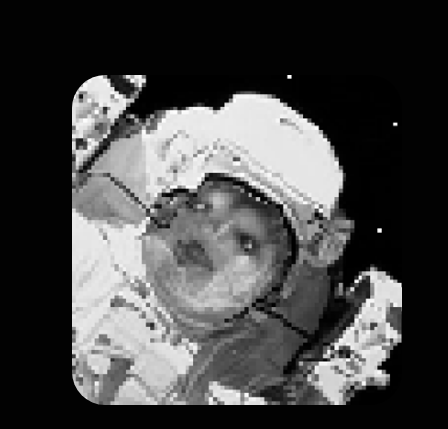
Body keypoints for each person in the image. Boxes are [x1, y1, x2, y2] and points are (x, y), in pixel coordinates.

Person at [72, 94, 348, 404]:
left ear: (273, 287)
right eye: (203, 208)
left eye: (245, 242)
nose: (213, 234)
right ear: (170, 204)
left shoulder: (234, 379)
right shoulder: (93, 256)